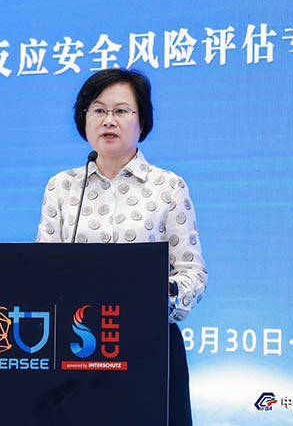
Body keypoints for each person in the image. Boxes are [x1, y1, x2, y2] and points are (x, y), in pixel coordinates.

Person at [36, 68, 206, 425]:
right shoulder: (61, 187)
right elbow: (43, 270)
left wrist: (157, 294)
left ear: (142, 121)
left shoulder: (168, 186)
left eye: (121, 111)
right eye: (98, 110)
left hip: (149, 346)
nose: (108, 120)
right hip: (77, 348)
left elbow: (192, 275)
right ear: (83, 119)